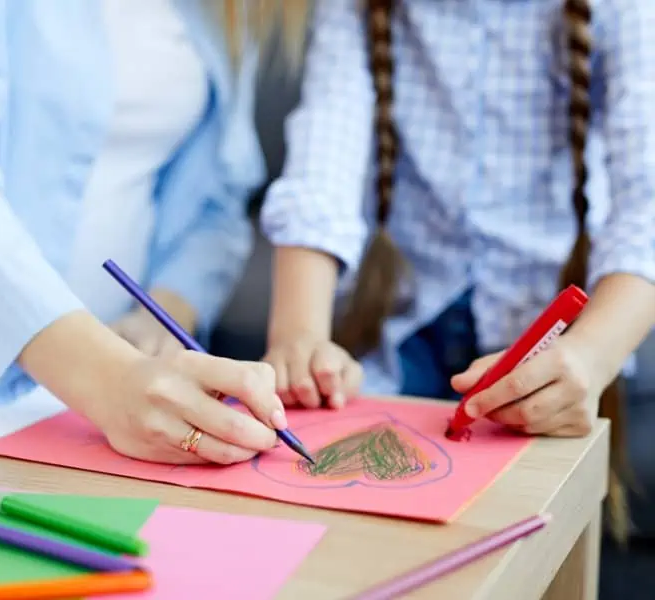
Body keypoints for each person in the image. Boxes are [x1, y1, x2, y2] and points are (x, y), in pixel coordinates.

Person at [261, 0, 655, 538]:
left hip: (547, 342)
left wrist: (592, 355)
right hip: (404, 328)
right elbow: (322, 162)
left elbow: (646, 204)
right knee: (351, 535)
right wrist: (298, 335)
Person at [0, 0, 308, 466]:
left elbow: (215, 194)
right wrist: (105, 377)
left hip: (85, 396)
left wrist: (168, 309)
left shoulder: (226, 11)